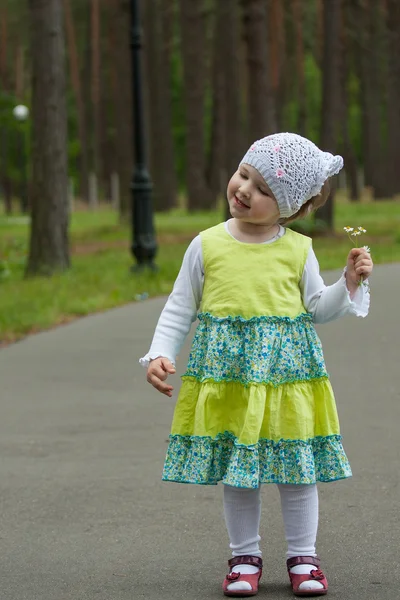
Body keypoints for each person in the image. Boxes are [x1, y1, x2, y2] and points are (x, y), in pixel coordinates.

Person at [140, 133, 373, 597]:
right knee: (239, 471)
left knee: (295, 470)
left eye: (264, 190)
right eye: (245, 175)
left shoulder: (297, 249)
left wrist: (345, 283)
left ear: (290, 208)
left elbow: (316, 309)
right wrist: (160, 352)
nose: (245, 190)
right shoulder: (206, 245)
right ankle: (244, 555)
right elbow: (180, 306)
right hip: (230, 380)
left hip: (286, 379)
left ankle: (303, 557)